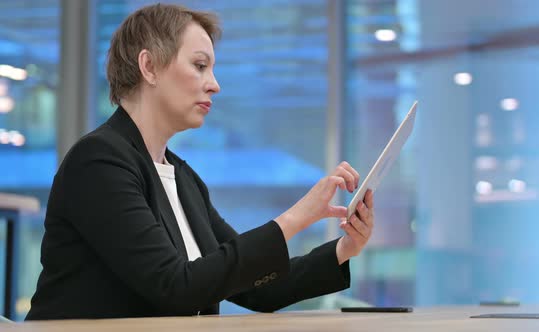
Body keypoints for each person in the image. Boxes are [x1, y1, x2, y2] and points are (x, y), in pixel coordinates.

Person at [26, 3, 374, 320]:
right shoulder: (98, 163)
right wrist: (296, 218)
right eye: (199, 65)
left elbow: (255, 287)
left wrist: (345, 248)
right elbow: (174, 286)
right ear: (149, 67)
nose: (215, 85)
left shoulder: (183, 178)